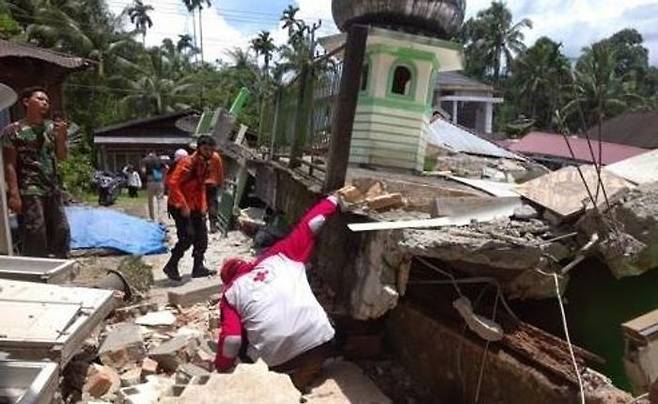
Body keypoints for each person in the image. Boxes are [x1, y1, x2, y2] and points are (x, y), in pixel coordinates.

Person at [215, 193, 345, 390]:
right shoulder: (279, 255)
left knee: (244, 342)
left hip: (279, 363)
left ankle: (285, 383)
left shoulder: (230, 294)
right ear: (246, 264)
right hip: (321, 344)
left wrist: (221, 369)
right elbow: (313, 223)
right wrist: (334, 200)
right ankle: (310, 370)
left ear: (227, 281)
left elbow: (232, 341)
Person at [1, 86, 70, 258]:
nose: (45, 103)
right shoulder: (13, 130)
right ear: (26, 102)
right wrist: (14, 194)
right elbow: (9, 164)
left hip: (52, 187)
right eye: (40, 99)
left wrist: (61, 137)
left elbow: (62, 156)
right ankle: (37, 265)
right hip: (30, 188)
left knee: (61, 228)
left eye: (47, 100)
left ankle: (60, 261)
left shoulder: (51, 128)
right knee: (35, 230)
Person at [163, 135, 217, 281]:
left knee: (202, 237)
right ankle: (171, 265)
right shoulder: (188, 162)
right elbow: (173, 184)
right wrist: (183, 205)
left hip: (194, 205)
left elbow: (201, 187)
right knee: (187, 237)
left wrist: (203, 207)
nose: (209, 152)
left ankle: (198, 267)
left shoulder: (205, 164)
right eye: (206, 149)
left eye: (211, 150)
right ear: (199, 148)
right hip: (178, 204)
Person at [140, 150, 165, 221]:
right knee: (160, 200)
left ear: (147, 153)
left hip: (150, 181)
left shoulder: (145, 160)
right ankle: (160, 219)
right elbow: (166, 168)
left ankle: (152, 218)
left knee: (150, 200)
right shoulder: (159, 159)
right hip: (159, 181)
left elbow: (143, 171)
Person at [205, 151, 224, 233]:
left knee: (201, 204)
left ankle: (200, 226)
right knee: (212, 204)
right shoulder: (216, 156)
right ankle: (213, 226)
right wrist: (220, 182)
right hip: (213, 183)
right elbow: (220, 170)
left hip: (202, 184)